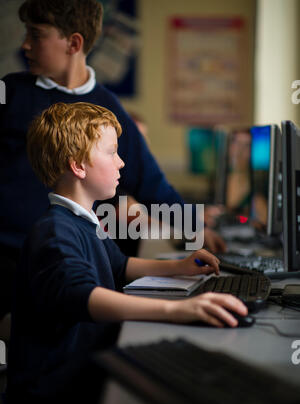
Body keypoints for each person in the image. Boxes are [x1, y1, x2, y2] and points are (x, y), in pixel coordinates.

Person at [7, 102, 247, 400]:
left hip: (81, 371)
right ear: (78, 165)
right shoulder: (55, 233)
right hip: (58, 395)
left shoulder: (82, 220)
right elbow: (81, 295)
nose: (121, 163)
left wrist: (180, 267)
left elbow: (119, 265)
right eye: (111, 152)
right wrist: (176, 310)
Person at [0, 0, 225, 315]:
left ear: (74, 43)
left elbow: (152, 184)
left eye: (36, 35)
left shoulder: (107, 111)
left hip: (70, 250)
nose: (25, 44)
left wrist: (195, 229)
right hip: (9, 254)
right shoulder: (8, 91)